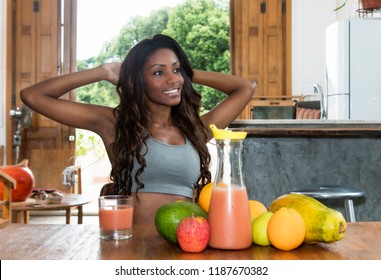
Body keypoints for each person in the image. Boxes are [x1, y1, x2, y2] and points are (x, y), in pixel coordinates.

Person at [20, 34, 256, 224]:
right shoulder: (115, 123)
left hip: (186, 247)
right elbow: (33, 96)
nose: (172, 80)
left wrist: (185, 72)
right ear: (137, 81)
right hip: (130, 246)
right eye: (157, 72)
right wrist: (102, 72)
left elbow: (245, 87)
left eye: (175, 69)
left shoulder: (196, 130)